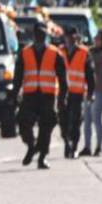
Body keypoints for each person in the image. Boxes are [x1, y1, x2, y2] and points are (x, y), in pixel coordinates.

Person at [12, 22, 67, 169]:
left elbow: (63, 78)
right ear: (34, 35)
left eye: (43, 34)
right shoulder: (24, 52)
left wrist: (62, 98)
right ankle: (31, 145)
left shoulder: (55, 53)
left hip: (47, 96)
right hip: (30, 95)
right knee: (23, 122)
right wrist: (14, 95)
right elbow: (17, 77)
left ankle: (42, 157)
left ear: (46, 35)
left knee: (47, 126)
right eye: (38, 34)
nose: (40, 37)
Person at [80, 29, 102, 157]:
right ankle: (87, 147)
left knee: (96, 117)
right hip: (90, 89)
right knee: (87, 119)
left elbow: (94, 60)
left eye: (98, 38)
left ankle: (99, 147)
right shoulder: (93, 51)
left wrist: (85, 50)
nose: (95, 40)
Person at [60, 27, 94, 159]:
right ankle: (66, 143)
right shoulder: (60, 52)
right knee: (63, 120)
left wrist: (90, 92)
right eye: (68, 37)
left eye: (73, 38)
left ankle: (73, 145)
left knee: (75, 121)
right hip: (62, 92)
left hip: (77, 93)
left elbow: (90, 75)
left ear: (76, 38)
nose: (70, 40)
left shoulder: (84, 53)